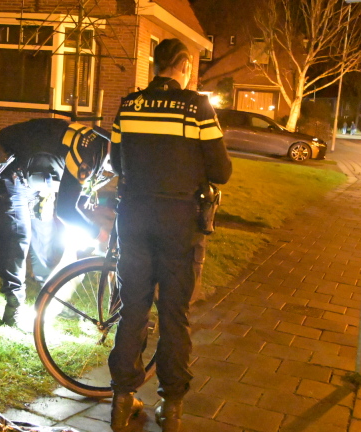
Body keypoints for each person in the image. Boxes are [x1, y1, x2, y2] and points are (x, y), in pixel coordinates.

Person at [107, 38, 233, 432]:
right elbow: (222, 171)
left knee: (133, 310)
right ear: (182, 65)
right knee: (174, 315)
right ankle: (171, 408)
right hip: (179, 221)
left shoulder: (129, 105)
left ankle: (122, 401)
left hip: (134, 216)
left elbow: (115, 160)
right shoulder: (197, 107)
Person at [0, 119, 110, 326]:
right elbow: (67, 210)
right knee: (17, 234)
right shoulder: (86, 154)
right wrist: (98, 233)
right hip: (8, 163)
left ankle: (50, 299)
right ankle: (13, 305)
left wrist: (82, 231)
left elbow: (75, 202)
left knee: (45, 232)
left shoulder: (101, 149)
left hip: (39, 172)